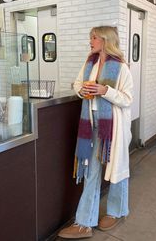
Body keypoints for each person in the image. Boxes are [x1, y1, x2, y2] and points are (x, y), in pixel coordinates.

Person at [58, 26, 133, 239]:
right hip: (91, 125)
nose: (90, 40)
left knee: (118, 170)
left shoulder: (121, 67)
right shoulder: (90, 62)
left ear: (105, 40)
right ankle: (84, 222)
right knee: (91, 171)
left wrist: (105, 91)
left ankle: (116, 211)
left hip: (113, 128)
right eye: (91, 37)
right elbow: (78, 83)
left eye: (94, 37)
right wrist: (81, 90)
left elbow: (127, 98)